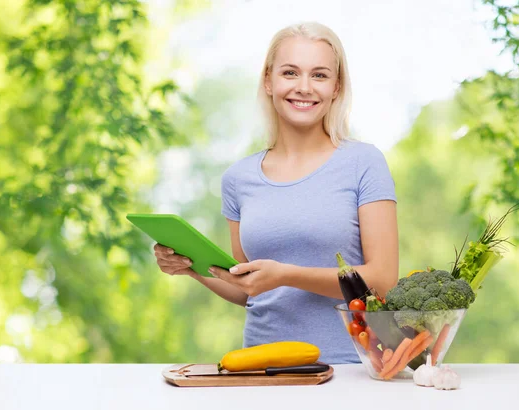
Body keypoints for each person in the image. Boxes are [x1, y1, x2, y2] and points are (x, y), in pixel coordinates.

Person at [153, 22, 399, 364]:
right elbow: (249, 287)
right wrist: (190, 266)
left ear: (336, 87)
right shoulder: (238, 179)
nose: (303, 87)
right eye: (290, 72)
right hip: (260, 365)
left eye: (319, 75)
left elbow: (383, 282)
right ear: (268, 81)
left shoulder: (363, 162)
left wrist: (286, 274)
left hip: (349, 366)